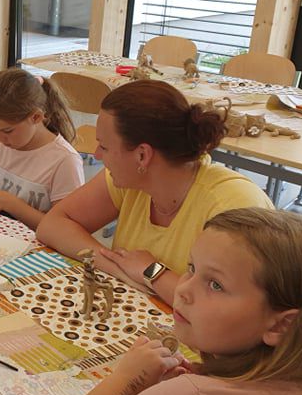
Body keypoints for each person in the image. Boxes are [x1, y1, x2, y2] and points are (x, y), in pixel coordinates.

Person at [47, 208, 302, 395]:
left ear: (280, 325)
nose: (183, 289)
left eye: (216, 285)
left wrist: (127, 378)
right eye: (191, 268)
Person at [36, 80, 273, 305]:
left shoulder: (231, 205)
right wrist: (116, 266)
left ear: (142, 155)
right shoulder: (131, 180)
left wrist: (152, 273)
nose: (97, 155)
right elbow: (52, 225)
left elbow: (230, 309)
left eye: (104, 147)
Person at [0, 68, 84, 229]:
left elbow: (64, 228)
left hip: (32, 242)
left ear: (36, 117)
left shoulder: (65, 161)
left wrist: (9, 203)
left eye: (7, 131)